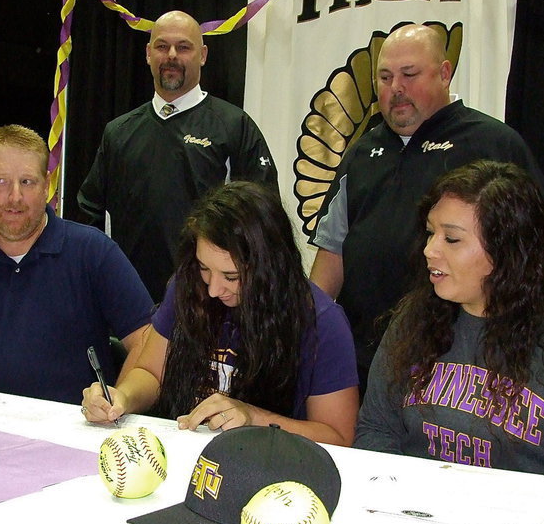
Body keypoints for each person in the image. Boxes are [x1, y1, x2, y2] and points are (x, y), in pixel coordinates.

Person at [354, 160, 544, 518]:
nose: (429, 250)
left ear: (505, 251)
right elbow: (376, 432)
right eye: (430, 232)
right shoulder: (415, 317)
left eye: (451, 238)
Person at [309, 24, 544, 396]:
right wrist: (305, 324)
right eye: (384, 77)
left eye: (409, 75)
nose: (396, 88)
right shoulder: (362, 153)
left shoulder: (492, 143)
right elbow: (332, 252)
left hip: (461, 361)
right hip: (363, 358)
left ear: (444, 73)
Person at [82, 182, 359, 446]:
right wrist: (122, 398)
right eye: (204, 268)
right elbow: (151, 373)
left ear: (270, 269)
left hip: (269, 467)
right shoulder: (190, 286)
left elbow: (337, 437)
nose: (214, 289)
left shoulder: (322, 322)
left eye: (231, 276)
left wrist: (254, 417)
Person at [0, 125, 154, 405]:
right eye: (0, 181)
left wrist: (121, 397)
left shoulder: (95, 253)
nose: (15, 197)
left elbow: (149, 346)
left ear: (47, 184)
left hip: (75, 435)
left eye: (27, 182)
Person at [78, 10, 279, 303]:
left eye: (184, 47)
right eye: (162, 46)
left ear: (203, 55)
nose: (171, 55)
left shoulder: (234, 126)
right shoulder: (118, 132)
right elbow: (90, 215)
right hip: (131, 307)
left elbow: (263, 218)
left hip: (208, 304)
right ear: (148, 54)